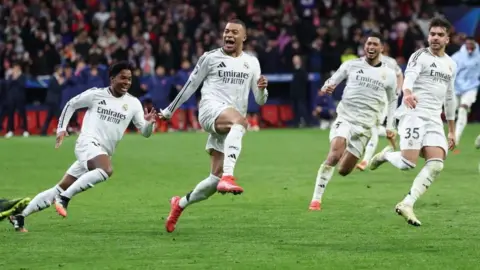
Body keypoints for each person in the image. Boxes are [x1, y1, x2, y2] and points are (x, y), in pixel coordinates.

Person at [9, 61, 157, 232]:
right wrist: (61, 128)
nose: (126, 82)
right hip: (87, 144)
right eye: (122, 78)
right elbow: (71, 104)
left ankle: (20, 216)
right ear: (112, 78)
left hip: (99, 152)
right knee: (106, 170)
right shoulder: (96, 95)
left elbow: (145, 132)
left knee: (59, 187)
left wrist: (149, 125)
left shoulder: (133, 103)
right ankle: (64, 199)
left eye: (129, 79)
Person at [157, 19, 269, 233]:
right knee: (241, 123)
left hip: (230, 123)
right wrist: (169, 111)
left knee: (212, 181)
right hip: (211, 110)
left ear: (243, 37)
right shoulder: (210, 58)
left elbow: (261, 100)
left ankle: (179, 205)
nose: (228, 35)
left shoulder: (252, 62)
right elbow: (190, 86)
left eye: (234, 32)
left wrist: (263, 89)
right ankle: (229, 176)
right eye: (226, 31)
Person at [369, 17, 457, 226]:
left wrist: (452, 130)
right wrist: (407, 92)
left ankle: (407, 203)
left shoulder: (451, 64)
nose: (435, 38)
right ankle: (387, 155)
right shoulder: (420, 56)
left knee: (436, 164)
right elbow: (410, 76)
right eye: (432, 34)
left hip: (434, 119)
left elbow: (450, 97)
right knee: (408, 163)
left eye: (439, 35)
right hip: (414, 114)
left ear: (447, 38)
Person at [308, 32, 398, 211]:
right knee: (334, 155)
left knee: (343, 170)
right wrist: (328, 86)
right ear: (364, 47)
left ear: (382, 48)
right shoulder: (351, 65)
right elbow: (333, 80)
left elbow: (393, 100)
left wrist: (390, 126)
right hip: (346, 118)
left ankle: (374, 155)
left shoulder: (388, 74)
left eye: (375, 45)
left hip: (365, 126)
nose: (371, 47)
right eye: (368, 44)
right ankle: (316, 200)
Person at [356, 53, 404, 170]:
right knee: (372, 129)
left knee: (372, 129)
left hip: (382, 101)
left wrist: (398, 90)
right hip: (369, 100)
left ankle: (365, 161)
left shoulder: (389, 62)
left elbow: (399, 74)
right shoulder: (364, 63)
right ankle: (393, 134)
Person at [451, 37, 480, 147]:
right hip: (456, 87)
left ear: (474, 44)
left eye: (471, 44)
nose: (469, 46)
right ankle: (449, 135)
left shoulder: (478, 57)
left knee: (463, 109)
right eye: (467, 44)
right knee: (451, 112)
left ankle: (456, 138)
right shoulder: (457, 57)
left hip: (471, 88)